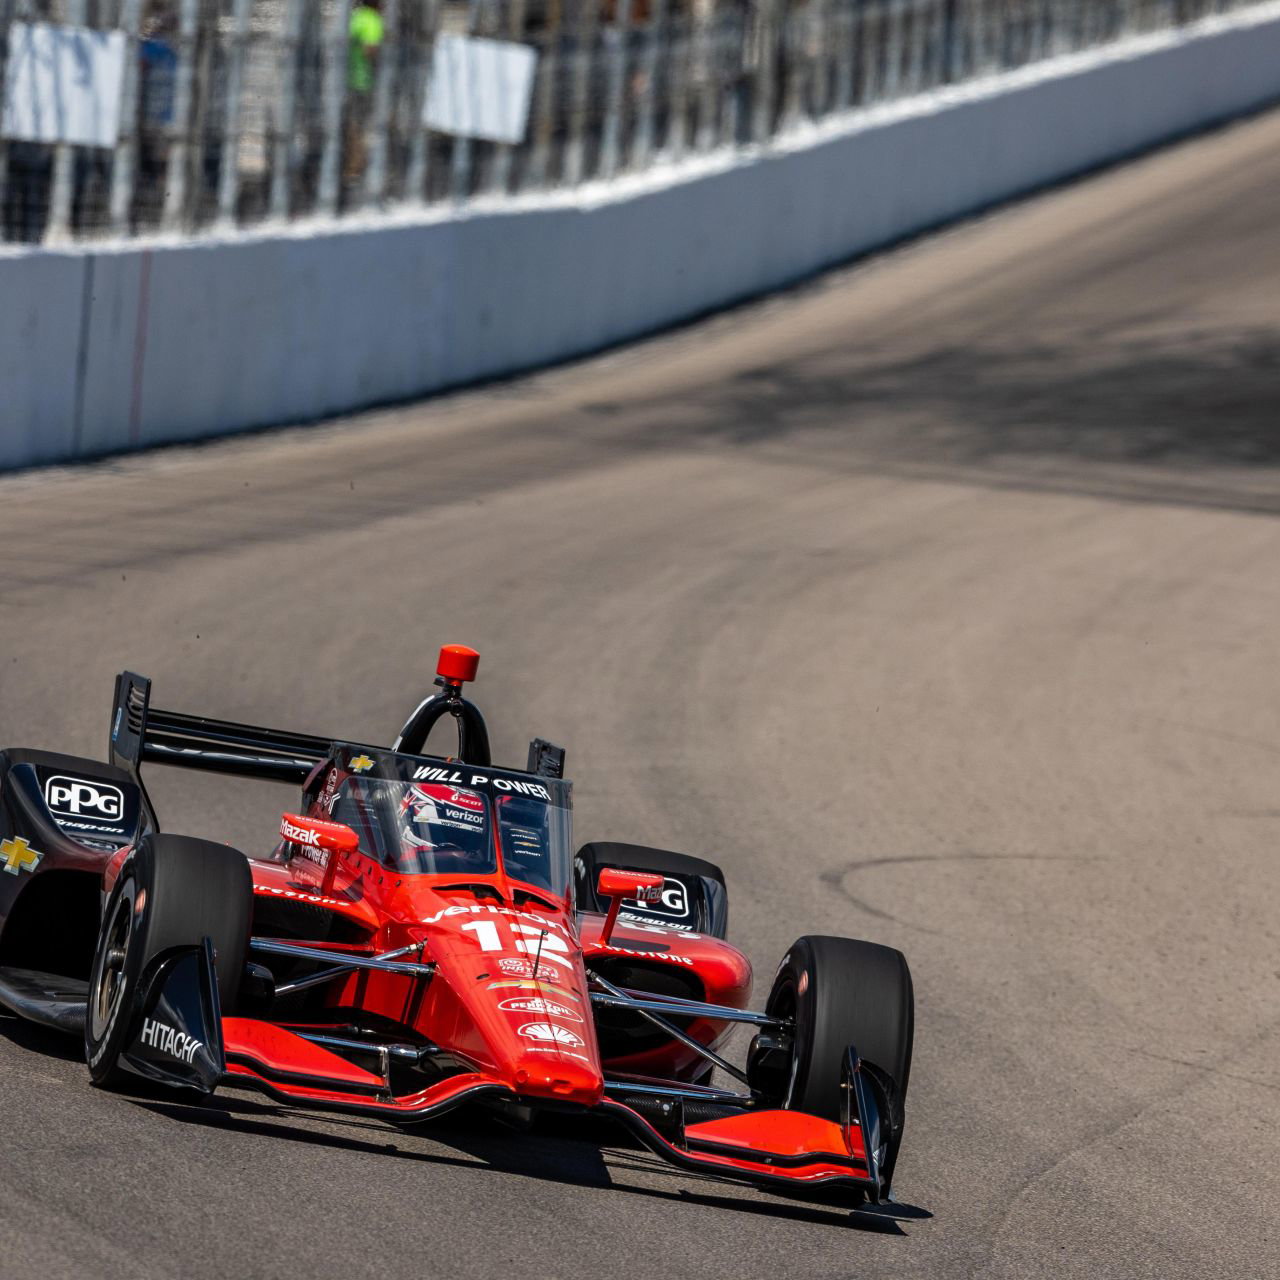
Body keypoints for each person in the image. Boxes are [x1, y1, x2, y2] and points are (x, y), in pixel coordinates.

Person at [345, 0, 385, 183]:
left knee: (352, 124)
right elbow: (370, 50)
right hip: (362, 81)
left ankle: (352, 165)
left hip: (346, 78)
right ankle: (355, 168)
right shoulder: (372, 20)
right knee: (358, 126)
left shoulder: (356, 16)